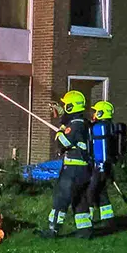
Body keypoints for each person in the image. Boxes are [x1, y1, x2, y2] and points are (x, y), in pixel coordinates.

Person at [39, 91, 93, 239]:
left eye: (65, 105)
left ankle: (52, 230)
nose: (64, 107)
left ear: (71, 106)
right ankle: (85, 231)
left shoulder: (75, 125)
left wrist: (60, 132)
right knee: (79, 199)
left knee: (61, 199)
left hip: (73, 170)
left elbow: (62, 143)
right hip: (84, 170)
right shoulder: (85, 123)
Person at [88, 101, 119, 226]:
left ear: (101, 113)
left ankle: (86, 220)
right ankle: (108, 218)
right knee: (101, 191)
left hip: (99, 166)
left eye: (96, 111)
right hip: (106, 165)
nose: (94, 113)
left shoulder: (99, 128)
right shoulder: (109, 126)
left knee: (90, 192)